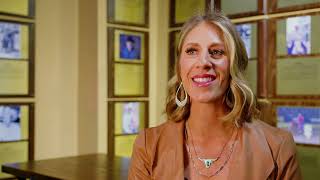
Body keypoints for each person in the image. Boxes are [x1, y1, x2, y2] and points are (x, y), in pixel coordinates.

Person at [128, 12, 302, 180]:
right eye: (191, 51)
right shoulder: (148, 145)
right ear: (180, 67)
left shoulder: (278, 146)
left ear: (234, 65)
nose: (203, 62)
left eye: (217, 52)